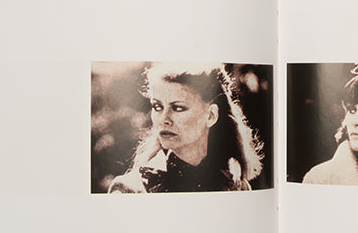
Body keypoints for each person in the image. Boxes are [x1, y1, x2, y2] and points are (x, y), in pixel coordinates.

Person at [108, 62, 263, 192]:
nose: (164, 119)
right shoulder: (131, 189)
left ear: (211, 116)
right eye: (157, 107)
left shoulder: (236, 187)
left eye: (178, 108)